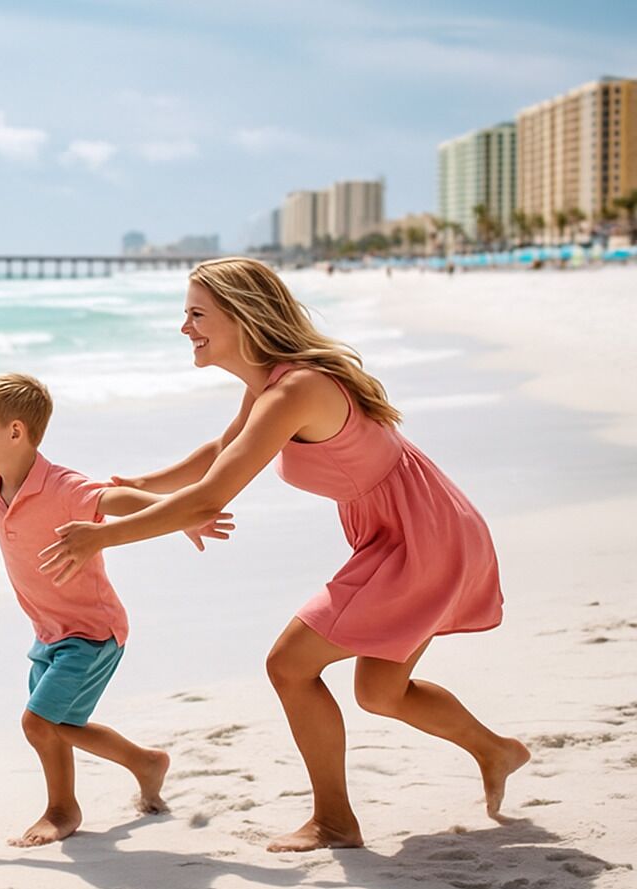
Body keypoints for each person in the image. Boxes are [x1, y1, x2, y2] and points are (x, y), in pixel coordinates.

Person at [38, 257, 530, 853]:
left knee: (290, 665)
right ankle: (497, 752)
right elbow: (220, 453)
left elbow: (210, 497)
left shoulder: (296, 390)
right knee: (381, 692)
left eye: (197, 315)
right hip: (413, 528)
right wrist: (140, 483)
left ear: (242, 317)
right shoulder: (270, 386)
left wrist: (100, 536)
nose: (184, 327)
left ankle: (335, 821)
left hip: (421, 537)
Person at [0, 374, 232, 846]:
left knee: (39, 723)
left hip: (92, 632)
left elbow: (114, 499)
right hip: (49, 633)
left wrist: (180, 516)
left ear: (15, 431)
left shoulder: (62, 487)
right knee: (61, 725)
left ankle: (62, 809)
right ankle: (145, 762)